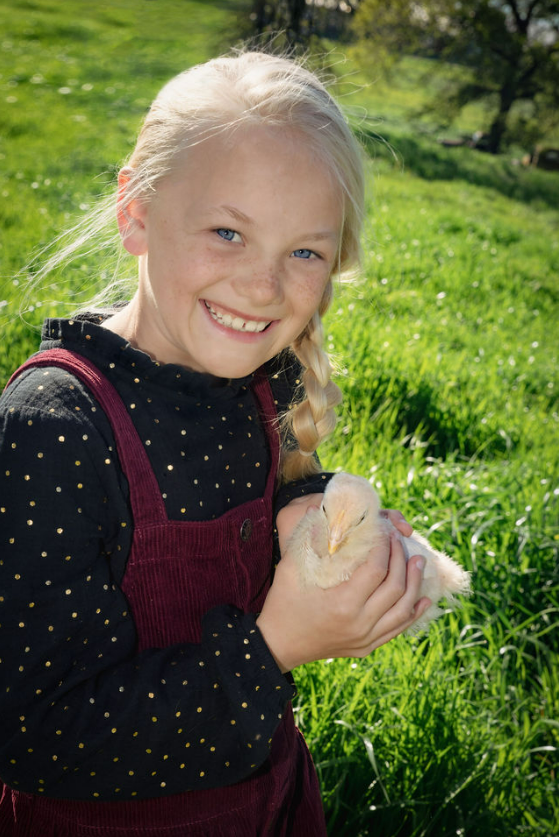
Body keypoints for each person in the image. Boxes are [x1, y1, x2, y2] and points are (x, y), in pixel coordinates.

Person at [0, 50, 430, 836]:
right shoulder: (53, 428)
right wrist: (273, 648)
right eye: (227, 231)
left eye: (304, 251)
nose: (264, 287)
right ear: (135, 210)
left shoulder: (265, 381)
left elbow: (270, 492)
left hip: (268, 800)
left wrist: (312, 518)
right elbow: (32, 735)